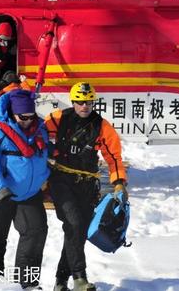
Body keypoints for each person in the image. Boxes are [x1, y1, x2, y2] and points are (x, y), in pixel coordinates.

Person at [45, 82, 128, 291]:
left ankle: (60, 281)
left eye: (88, 102)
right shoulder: (58, 118)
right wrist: (46, 149)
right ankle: (80, 278)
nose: (84, 106)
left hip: (87, 185)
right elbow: (36, 133)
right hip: (61, 181)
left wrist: (118, 183)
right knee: (73, 224)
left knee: (79, 231)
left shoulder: (102, 126)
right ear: (73, 102)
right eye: (80, 102)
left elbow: (113, 156)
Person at [0, 89, 50, 289]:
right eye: (22, 117)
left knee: (35, 234)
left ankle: (27, 283)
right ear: (12, 113)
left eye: (30, 116)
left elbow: (44, 156)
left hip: (29, 194)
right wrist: (0, 189)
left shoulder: (40, 129)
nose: (27, 120)